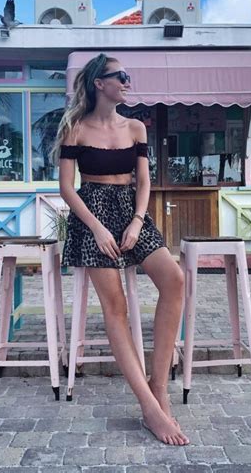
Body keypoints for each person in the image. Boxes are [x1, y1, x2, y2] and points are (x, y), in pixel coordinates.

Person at [54, 53, 189, 446]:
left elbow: (143, 181)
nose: (128, 82)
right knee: (115, 308)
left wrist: (137, 220)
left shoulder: (136, 127)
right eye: (121, 76)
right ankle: (149, 407)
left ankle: (158, 386)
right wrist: (95, 228)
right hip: (91, 214)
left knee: (174, 280)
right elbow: (67, 188)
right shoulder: (75, 128)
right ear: (100, 83)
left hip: (132, 211)